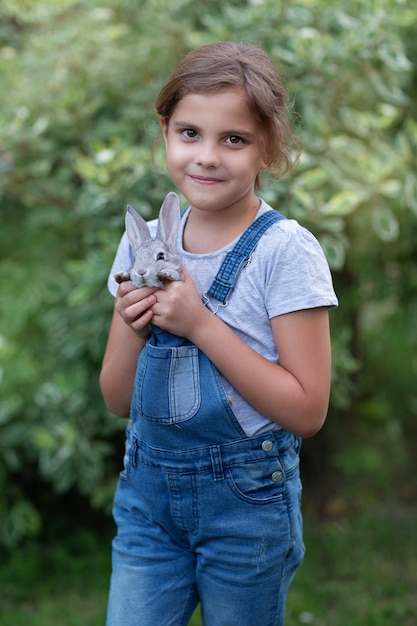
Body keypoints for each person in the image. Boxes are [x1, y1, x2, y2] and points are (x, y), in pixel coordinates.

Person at [100, 41, 338, 626]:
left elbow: (307, 410)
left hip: (247, 506)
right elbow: (115, 399)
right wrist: (134, 324)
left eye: (234, 139)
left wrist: (200, 324)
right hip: (148, 502)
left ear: (269, 147)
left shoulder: (284, 253)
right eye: (189, 133)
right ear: (164, 131)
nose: (206, 156)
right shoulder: (144, 244)